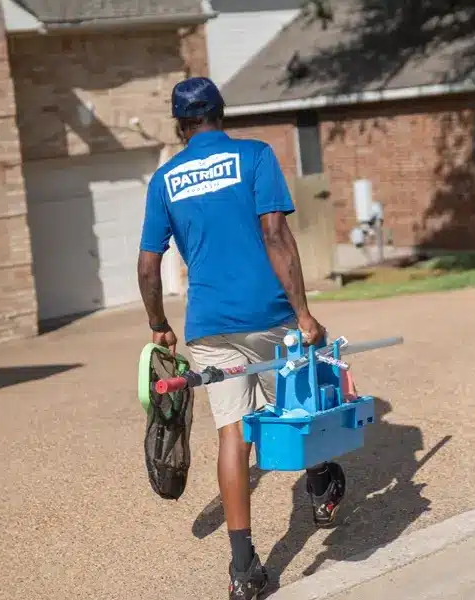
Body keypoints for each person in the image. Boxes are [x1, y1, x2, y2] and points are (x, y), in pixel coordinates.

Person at [137, 76, 347, 600]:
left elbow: (147, 265)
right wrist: (303, 313)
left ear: (180, 124)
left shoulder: (164, 179)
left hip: (209, 324)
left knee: (234, 434)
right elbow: (275, 234)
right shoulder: (254, 156)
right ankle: (320, 488)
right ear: (220, 113)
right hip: (269, 314)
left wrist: (158, 324)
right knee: (297, 407)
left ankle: (242, 567)